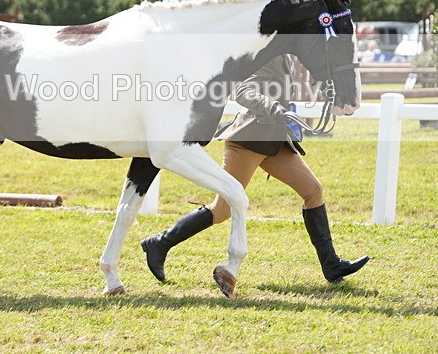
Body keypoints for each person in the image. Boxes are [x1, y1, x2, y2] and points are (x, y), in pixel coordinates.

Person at [140, 55, 369, 283]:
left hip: (273, 141)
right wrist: (272, 106)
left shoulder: (286, 56)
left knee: (313, 191)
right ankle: (159, 243)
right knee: (222, 210)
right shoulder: (267, 57)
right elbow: (242, 91)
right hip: (248, 141)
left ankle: (331, 265)